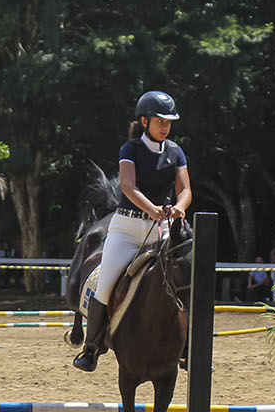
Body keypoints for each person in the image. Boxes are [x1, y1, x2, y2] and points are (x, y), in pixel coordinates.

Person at [73, 89, 192, 372]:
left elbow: (185, 189)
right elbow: (128, 186)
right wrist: (152, 208)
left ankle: (189, 348)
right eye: (160, 121)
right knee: (105, 284)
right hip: (127, 228)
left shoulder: (176, 151)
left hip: (160, 230)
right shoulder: (131, 150)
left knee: (183, 278)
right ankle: (91, 347)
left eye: (169, 122)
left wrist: (180, 207)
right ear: (144, 120)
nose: (165, 126)